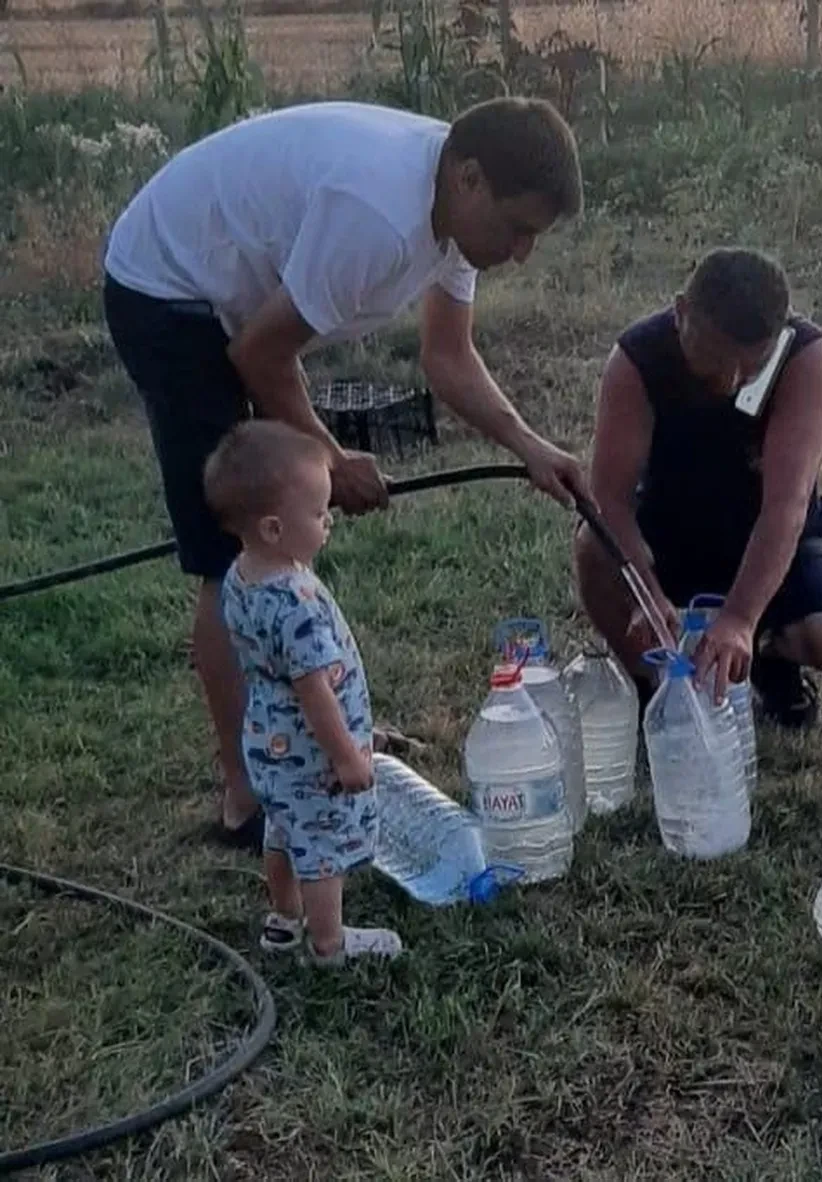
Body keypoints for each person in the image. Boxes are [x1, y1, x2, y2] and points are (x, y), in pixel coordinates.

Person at [101, 96, 591, 848]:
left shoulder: (453, 210)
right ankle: (246, 796)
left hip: (231, 299)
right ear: (470, 180)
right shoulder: (379, 216)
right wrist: (329, 459)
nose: (522, 251)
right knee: (237, 554)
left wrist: (529, 446)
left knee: (289, 530)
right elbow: (259, 354)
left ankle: (318, 729)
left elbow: (448, 356)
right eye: (519, 228)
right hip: (168, 290)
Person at [573, 247, 822, 729]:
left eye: (751, 367)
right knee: (593, 546)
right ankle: (650, 685)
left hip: (762, 538)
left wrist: (740, 619)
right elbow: (610, 499)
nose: (730, 382)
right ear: (681, 313)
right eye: (713, 359)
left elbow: (786, 506)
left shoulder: (805, 356)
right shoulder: (637, 359)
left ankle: (768, 662)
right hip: (668, 536)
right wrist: (646, 595)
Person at [205, 419, 400, 964]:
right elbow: (314, 692)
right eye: (317, 513)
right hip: (313, 752)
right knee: (321, 846)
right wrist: (347, 756)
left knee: (282, 831)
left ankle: (284, 920)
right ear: (273, 528)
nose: (328, 520)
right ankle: (328, 942)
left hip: (267, 743)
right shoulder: (296, 604)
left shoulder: (241, 576)